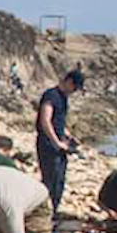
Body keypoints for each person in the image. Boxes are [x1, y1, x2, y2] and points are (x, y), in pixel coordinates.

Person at [34, 69, 83, 213]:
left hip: (59, 144)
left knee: (59, 181)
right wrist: (56, 142)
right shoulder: (51, 95)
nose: (74, 91)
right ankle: (43, 212)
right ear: (68, 81)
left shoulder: (63, 98)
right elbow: (45, 120)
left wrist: (68, 136)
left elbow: (59, 123)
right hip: (48, 144)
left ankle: (53, 212)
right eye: (75, 87)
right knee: (50, 180)